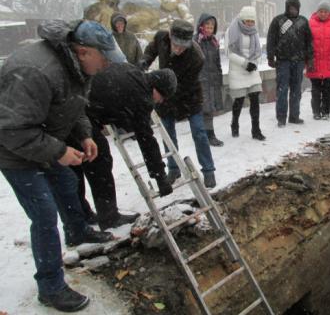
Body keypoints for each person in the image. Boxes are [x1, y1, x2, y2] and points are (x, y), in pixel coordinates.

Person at [0, 20, 123, 312]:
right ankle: (51, 287)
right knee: (44, 215)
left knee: (67, 182)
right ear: (82, 51)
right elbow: (11, 130)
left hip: (42, 139)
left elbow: (74, 105)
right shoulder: (36, 72)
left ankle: (77, 232)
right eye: (104, 59)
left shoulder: (76, 67)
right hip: (13, 151)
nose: (107, 66)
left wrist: (84, 135)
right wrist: (59, 151)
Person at [71, 65, 177, 231]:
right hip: (81, 118)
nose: (161, 101)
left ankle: (82, 215)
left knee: (74, 169)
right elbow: (147, 140)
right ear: (156, 88)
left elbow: (117, 102)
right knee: (99, 163)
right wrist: (160, 177)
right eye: (162, 96)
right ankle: (108, 217)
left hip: (69, 107)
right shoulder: (142, 97)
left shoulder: (132, 71)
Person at [140, 19, 216, 188]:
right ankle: (173, 169)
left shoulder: (196, 56)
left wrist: (161, 91)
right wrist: (145, 60)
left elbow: (185, 85)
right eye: (176, 45)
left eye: (183, 46)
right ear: (170, 36)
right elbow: (151, 50)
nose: (179, 49)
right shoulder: (161, 38)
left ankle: (208, 170)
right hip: (166, 98)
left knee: (199, 132)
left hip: (189, 96)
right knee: (168, 134)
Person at [267, 0, 313, 127]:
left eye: (295, 7)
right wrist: (270, 57)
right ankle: (281, 118)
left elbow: (309, 42)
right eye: (291, 7)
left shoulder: (303, 21)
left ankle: (294, 116)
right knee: (282, 90)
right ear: (287, 7)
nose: (293, 9)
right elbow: (271, 40)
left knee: (296, 90)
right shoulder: (278, 21)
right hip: (283, 61)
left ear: (298, 8)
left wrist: (310, 59)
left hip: (299, 61)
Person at [226, 6, 266, 141]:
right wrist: (244, 63)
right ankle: (234, 123)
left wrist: (253, 63)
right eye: (247, 21)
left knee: (255, 100)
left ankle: (256, 130)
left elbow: (258, 51)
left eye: (252, 21)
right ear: (242, 19)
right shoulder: (232, 31)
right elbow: (229, 53)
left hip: (252, 70)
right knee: (239, 101)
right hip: (238, 70)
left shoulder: (254, 32)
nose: (250, 23)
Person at [306, 1, 330, 120]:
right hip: (314, 62)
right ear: (317, 12)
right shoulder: (310, 23)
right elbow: (306, 42)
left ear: (329, 12)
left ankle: (326, 111)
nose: (323, 14)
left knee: (328, 90)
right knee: (315, 89)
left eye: (325, 11)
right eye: (321, 11)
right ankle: (316, 111)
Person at [194, 13, 224, 147]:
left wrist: (220, 76)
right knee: (204, 109)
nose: (209, 27)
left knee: (209, 109)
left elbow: (217, 62)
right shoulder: (196, 41)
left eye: (212, 25)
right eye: (207, 25)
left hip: (212, 79)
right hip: (201, 79)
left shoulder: (214, 42)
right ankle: (207, 135)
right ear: (201, 25)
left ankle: (207, 134)